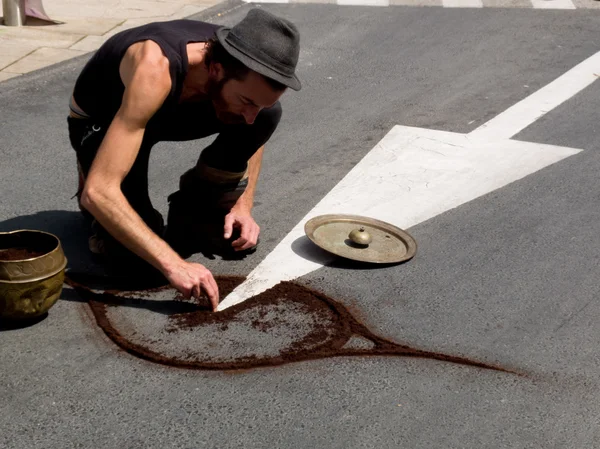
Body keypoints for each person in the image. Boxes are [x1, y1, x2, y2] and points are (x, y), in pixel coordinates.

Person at [66, 8, 301, 311]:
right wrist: (173, 264)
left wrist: (243, 203)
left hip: (181, 104)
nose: (249, 115)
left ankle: (195, 212)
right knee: (138, 266)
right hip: (106, 118)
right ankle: (97, 177)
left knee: (268, 115)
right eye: (247, 101)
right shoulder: (155, 67)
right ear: (216, 69)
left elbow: (254, 119)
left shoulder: (242, 63)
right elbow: (98, 192)